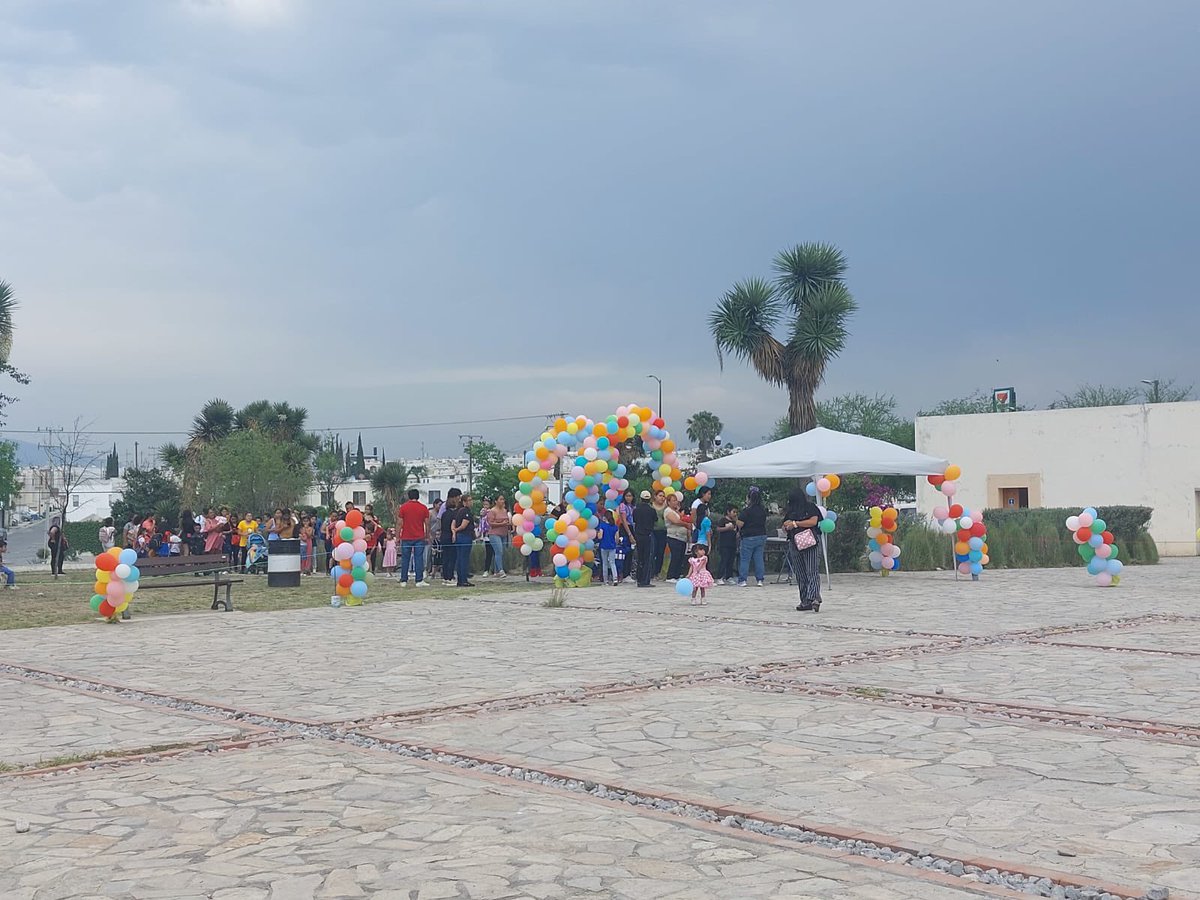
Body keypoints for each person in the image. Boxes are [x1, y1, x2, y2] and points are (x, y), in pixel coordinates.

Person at [782, 486, 824, 612]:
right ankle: (806, 599)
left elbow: (813, 522)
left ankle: (813, 598)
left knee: (812, 570)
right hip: (795, 542)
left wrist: (796, 524)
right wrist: (786, 526)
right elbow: (784, 524)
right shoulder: (790, 511)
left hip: (810, 541)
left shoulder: (810, 507)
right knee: (801, 573)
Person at [397, 488, 430, 587]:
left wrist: (397, 536)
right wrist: (427, 536)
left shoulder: (403, 507)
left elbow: (399, 523)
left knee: (405, 559)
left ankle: (404, 580)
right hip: (419, 537)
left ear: (408, 496)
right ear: (418, 496)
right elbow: (427, 524)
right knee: (418, 558)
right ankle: (419, 580)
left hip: (406, 536)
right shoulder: (423, 508)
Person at [737, 487, 768, 587]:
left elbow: (740, 524)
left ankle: (743, 580)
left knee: (745, 559)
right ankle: (760, 580)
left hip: (748, 537)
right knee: (758, 558)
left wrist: (735, 520)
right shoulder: (763, 510)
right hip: (761, 535)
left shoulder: (746, 511)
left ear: (749, 498)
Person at [632, 490, 657, 587]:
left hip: (638, 535)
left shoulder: (636, 510)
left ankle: (638, 579)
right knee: (648, 558)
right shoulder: (652, 510)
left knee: (640, 558)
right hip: (648, 535)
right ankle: (645, 581)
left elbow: (634, 520)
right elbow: (655, 520)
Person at [451, 492, 476, 587]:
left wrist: (454, 531)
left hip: (459, 537)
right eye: (469, 500)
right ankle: (463, 580)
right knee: (464, 559)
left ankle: (460, 579)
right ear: (464, 502)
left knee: (460, 558)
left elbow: (453, 523)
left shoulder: (458, 511)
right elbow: (463, 525)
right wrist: (456, 530)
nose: (471, 502)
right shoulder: (466, 511)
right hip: (465, 536)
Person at [664, 493, 689, 583]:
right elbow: (676, 521)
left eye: (676, 500)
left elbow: (682, 518)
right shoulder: (668, 511)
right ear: (668, 502)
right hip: (674, 536)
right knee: (675, 556)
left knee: (680, 557)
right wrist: (686, 524)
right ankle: (670, 576)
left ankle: (677, 575)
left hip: (682, 537)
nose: (676, 502)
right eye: (673, 501)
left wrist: (678, 511)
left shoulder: (675, 511)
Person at [439, 489, 462, 584]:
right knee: (452, 557)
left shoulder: (444, 514)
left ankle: (445, 577)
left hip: (443, 535)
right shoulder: (455, 514)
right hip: (451, 535)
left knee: (445, 557)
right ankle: (450, 576)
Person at [484, 496, 511, 578]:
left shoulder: (504, 510)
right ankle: (500, 570)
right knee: (499, 551)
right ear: (496, 501)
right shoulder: (492, 511)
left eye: (503, 499)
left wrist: (508, 524)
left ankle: (496, 570)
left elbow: (507, 520)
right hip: (494, 534)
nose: (502, 501)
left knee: (502, 552)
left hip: (504, 533)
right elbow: (490, 523)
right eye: (501, 499)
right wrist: (501, 524)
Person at [714, 506, 739, 585]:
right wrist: (727, 528)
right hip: (724, 544)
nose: (735, 514)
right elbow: (718, 529)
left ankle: (729, 576)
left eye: (736, 512)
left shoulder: (735, 522)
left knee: (731, 561)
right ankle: (720, 577)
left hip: (732, 544)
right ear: (728, 512)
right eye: (733, 512)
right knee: (724, 560)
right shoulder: (723, 520)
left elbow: (737, 532)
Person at [617, 489, 637, 583]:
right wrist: (629, 534)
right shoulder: (623, 506)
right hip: (625, 528)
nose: (628, 498)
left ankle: (628, 572)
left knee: (631, 552)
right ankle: (624, 574)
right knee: (626, 550)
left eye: (630, 496)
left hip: (632, 527)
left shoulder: (633, 506)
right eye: (627, 496)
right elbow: (624, 520)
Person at [597, 509, 620, 586]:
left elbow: (600, 537)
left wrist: (598, 534)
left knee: (605, 563)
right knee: (612, 563)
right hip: (612, 546)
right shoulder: (615, 527)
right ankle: (615, 578)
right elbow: (617, 538)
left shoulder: (602, 526)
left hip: (603, 546)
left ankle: (605, 580)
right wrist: (615, 543)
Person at [650, 490, 668, 581]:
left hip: (663, 531)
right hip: (653, 531)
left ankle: (657, 572)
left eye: (663, 496)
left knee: (661, 552)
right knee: (653, 552)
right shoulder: (651, 506)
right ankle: (651, 572)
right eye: (660, 495)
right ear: (655, 496)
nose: (662, 498)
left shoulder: (666, 507)